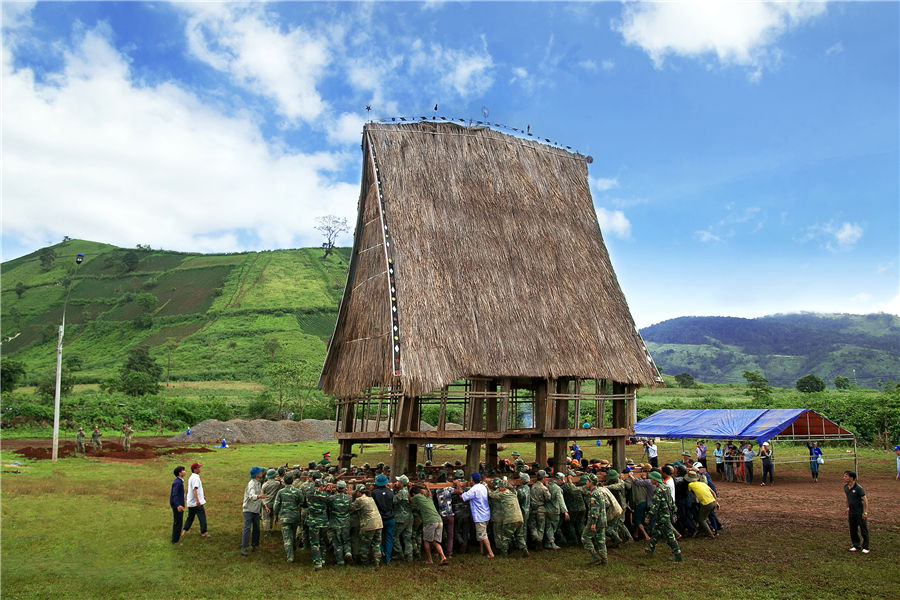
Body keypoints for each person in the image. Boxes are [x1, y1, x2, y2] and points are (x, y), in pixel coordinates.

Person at [644, 471, 682, 562]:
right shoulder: (666, 487)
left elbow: (655, 505)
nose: (650, 480)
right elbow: (671, 501)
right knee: (656, 532)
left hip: (663, 516)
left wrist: (648, 516)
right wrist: (674, 510)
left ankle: (677, 554)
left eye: (651, 478)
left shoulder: (658, 490)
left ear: (655, 480)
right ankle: (650, 548)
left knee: (669, 536)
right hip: (666, 514)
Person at [487, 478, 528, 558]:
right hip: (519, 518)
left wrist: (486, 486)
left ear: (503, 488)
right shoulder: (513, 493)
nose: (499, 489)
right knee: (519, 536)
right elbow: (511, 487)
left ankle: (504, 554)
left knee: (505, 537)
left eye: (500, 487)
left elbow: (491, 494)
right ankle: (524, 549)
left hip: (510, 519)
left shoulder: (502, 494)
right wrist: (507, 483)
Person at [456, 472, 493, 558]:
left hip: (480, 515)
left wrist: (458, 485)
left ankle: (490, 553)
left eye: (471, 479)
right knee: (482, 532)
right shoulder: (483, 487)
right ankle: (481, 550)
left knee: (483, 535)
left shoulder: (474, 490)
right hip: (486, 513)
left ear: (472, 480)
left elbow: (462, 497)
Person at [410, 485, 449, 565]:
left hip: (430, 521)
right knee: (435, 541)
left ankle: (429, 560)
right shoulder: (428, 498)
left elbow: (409, 499)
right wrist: (427, 487)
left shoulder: (417, 497)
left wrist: (409, 487)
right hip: (439, 520)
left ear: (413, 494)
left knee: (426, 540)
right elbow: (430, 494)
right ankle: (443, 557)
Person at [350, 484, 383, 566]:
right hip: (378, 523)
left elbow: (351, 508)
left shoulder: (359, 500)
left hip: (369, 525)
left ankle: (364, 563)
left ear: (358, 492)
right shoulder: (370, 498)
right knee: (376, 544)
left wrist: (350, 497)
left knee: (364, 545)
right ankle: (377, 562)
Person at [273, 473, 303, 562]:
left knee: (287, 537)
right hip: (295, 516)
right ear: (293, 480)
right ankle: (293, 548)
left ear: (284, 481)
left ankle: (290, 556)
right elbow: (302, 502)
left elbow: (276, 505)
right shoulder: (298, 491)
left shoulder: (281, 492)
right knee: (293, 534)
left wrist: (275, 516)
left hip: (285, 517)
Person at [240, 466, 267, 556]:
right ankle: (244, 547)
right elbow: (252, 496)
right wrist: (259, 497)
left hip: (256, 510)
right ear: (256, 475)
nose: (261, 473)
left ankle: (254, 546)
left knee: (256, 528)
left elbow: (259, 496)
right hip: (248, 509)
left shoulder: (258, 483)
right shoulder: (251, 484)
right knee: (247, 528)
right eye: (260, 472)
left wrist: (264, 506)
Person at [581, 473, 607, 565]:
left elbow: (594, 509)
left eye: (587, 481)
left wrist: (593, 523)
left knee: (585, 537)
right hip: (603, 519)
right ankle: (604, 559)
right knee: (601, 540)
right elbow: (606, 504)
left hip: (595, 520)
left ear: (591, 483)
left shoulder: (593, 495)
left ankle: (595, 556)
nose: (586, 483)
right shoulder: (600, 492)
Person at [327, 480, 353, 566]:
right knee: (346, 540)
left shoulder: (331, 498)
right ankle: (348, 552)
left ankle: (340, 562)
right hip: (346, 523)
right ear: (345, 488)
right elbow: (350, 508)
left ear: (337, 488)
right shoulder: (349, 498)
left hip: (335, 523)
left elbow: (327, 506)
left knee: (337, 543)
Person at [371, 474, 395, 564]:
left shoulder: (374, 493)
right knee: (389, 538)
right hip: (390, 518)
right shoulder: (390, 492)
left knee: (378, 538)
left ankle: (381, 552)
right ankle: (388, 558)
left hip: (379, 518)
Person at [685, 470, 717, 538]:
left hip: (706, 503)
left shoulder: (690, 485)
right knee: (706, 517)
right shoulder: (703, 484)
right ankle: (710, 530)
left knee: (701, 519)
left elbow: (688, 494)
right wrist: (716, 502)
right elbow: (713, 492)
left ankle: (710, 535)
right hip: (713, 502)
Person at [843, 470, 869, 553]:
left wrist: (865, 512)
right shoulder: (846, 487)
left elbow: (865, 500)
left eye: (846, 476)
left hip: (859, 512)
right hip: (852, 512)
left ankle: (866, 547)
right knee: (853, 529)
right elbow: (847, 497)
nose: (844, 478)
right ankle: (856, 545)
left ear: (851, 478)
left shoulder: (858, 488)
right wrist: (847, 507)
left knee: (863, 529)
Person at [182, 462, 209, 540]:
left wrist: (201, 496)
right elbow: (194, 489)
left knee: (190, 517)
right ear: (195, 469)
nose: (199, 469)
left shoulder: (191, 477)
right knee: (202, 517)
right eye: (198, 468)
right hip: (196, 503)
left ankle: (184, 531)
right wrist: (198, 501)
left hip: (190, 502)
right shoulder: (196, 478)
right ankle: (204, 532)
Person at [260, 469, 282, 536]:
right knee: (271, 516)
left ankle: (267, 531)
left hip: (266, 503)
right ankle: (270, 527)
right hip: (274, 503)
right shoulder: (277, 484)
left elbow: (262, 495)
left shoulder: (265, 485)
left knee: (266, 518)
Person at [170, 466, 186, 544]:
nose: (184, 471)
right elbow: (174, 494)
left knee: (178, 522)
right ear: (179, 473)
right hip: (178, 506)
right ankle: (175, 540)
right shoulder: (177, 482)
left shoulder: (179, 481)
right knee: (178, 523)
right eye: (183, 470)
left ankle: (175, 539)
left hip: (179, 505)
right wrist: (178, 505)